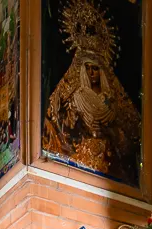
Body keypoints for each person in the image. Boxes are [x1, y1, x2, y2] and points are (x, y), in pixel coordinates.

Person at [43, 0, 140, 186]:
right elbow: (56, 122)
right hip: (79, 158)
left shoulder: (114, 98)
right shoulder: (72, 94)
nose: (91, 73)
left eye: (95, 68)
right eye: (87, 68)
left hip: (111, 164)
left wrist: (112, 132)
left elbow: (132, 132)